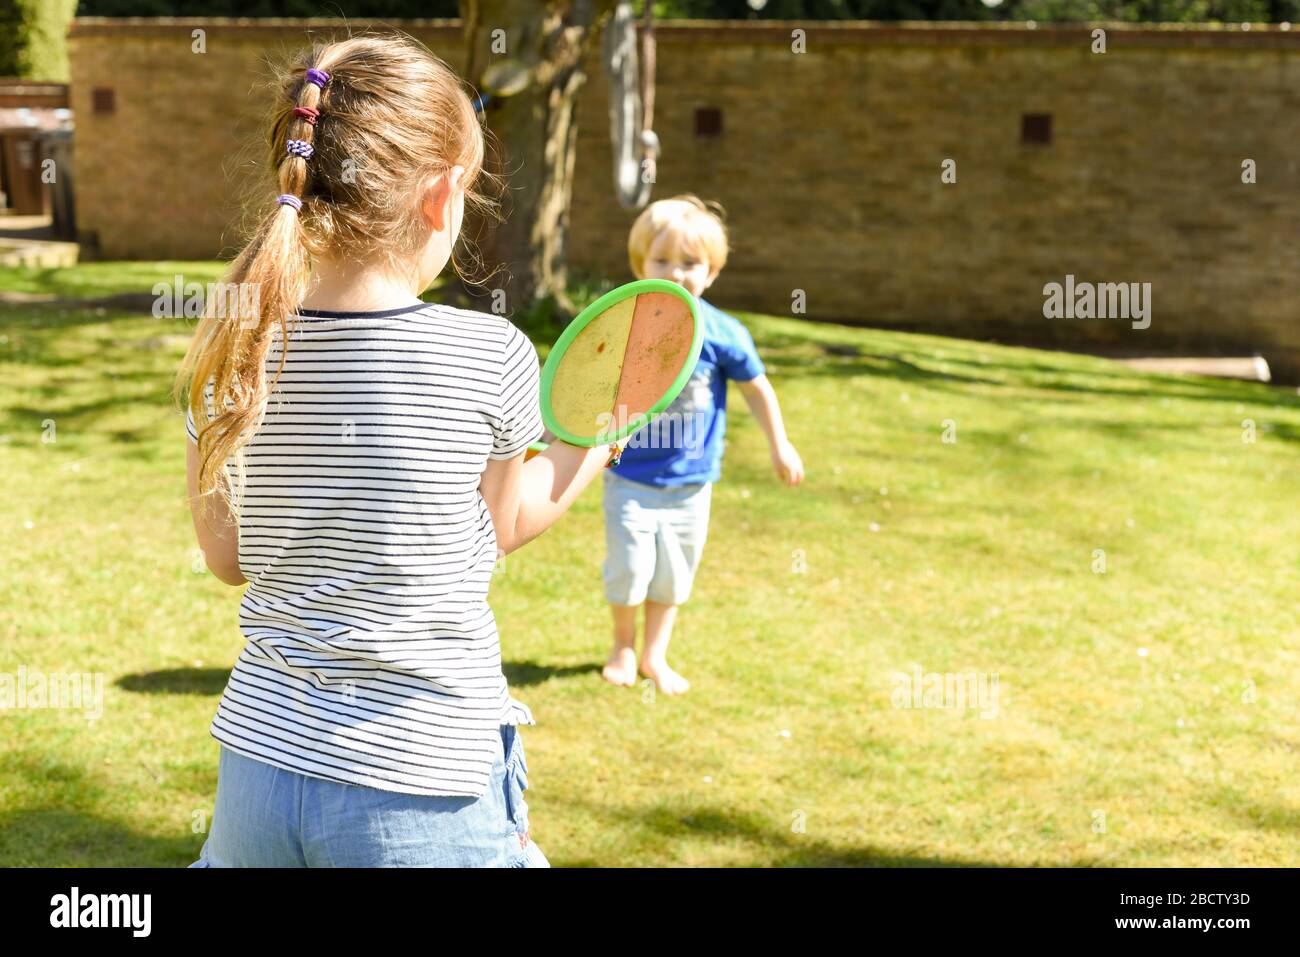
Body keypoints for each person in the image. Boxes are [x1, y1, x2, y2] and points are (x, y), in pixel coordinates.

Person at [175, 34, 614, 867]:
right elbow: (505, 523)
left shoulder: (232, 350)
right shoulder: (490, 354)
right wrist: (592, 444)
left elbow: (227, 557)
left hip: (259, 774)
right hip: (421, 781)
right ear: (443, 195)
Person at [601, 195, 805, 695]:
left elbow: (757, 388)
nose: (675, 273)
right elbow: (599, 385)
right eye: (661, 261)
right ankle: (623, 647)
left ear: (711, 272)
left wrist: (780, 444)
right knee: (629, 569)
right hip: (630, 477)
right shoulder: (629, 325)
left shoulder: (722, 332)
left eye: (690, 263)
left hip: (691, 484)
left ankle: (654, 655)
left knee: (673, 574)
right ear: (640, 266)